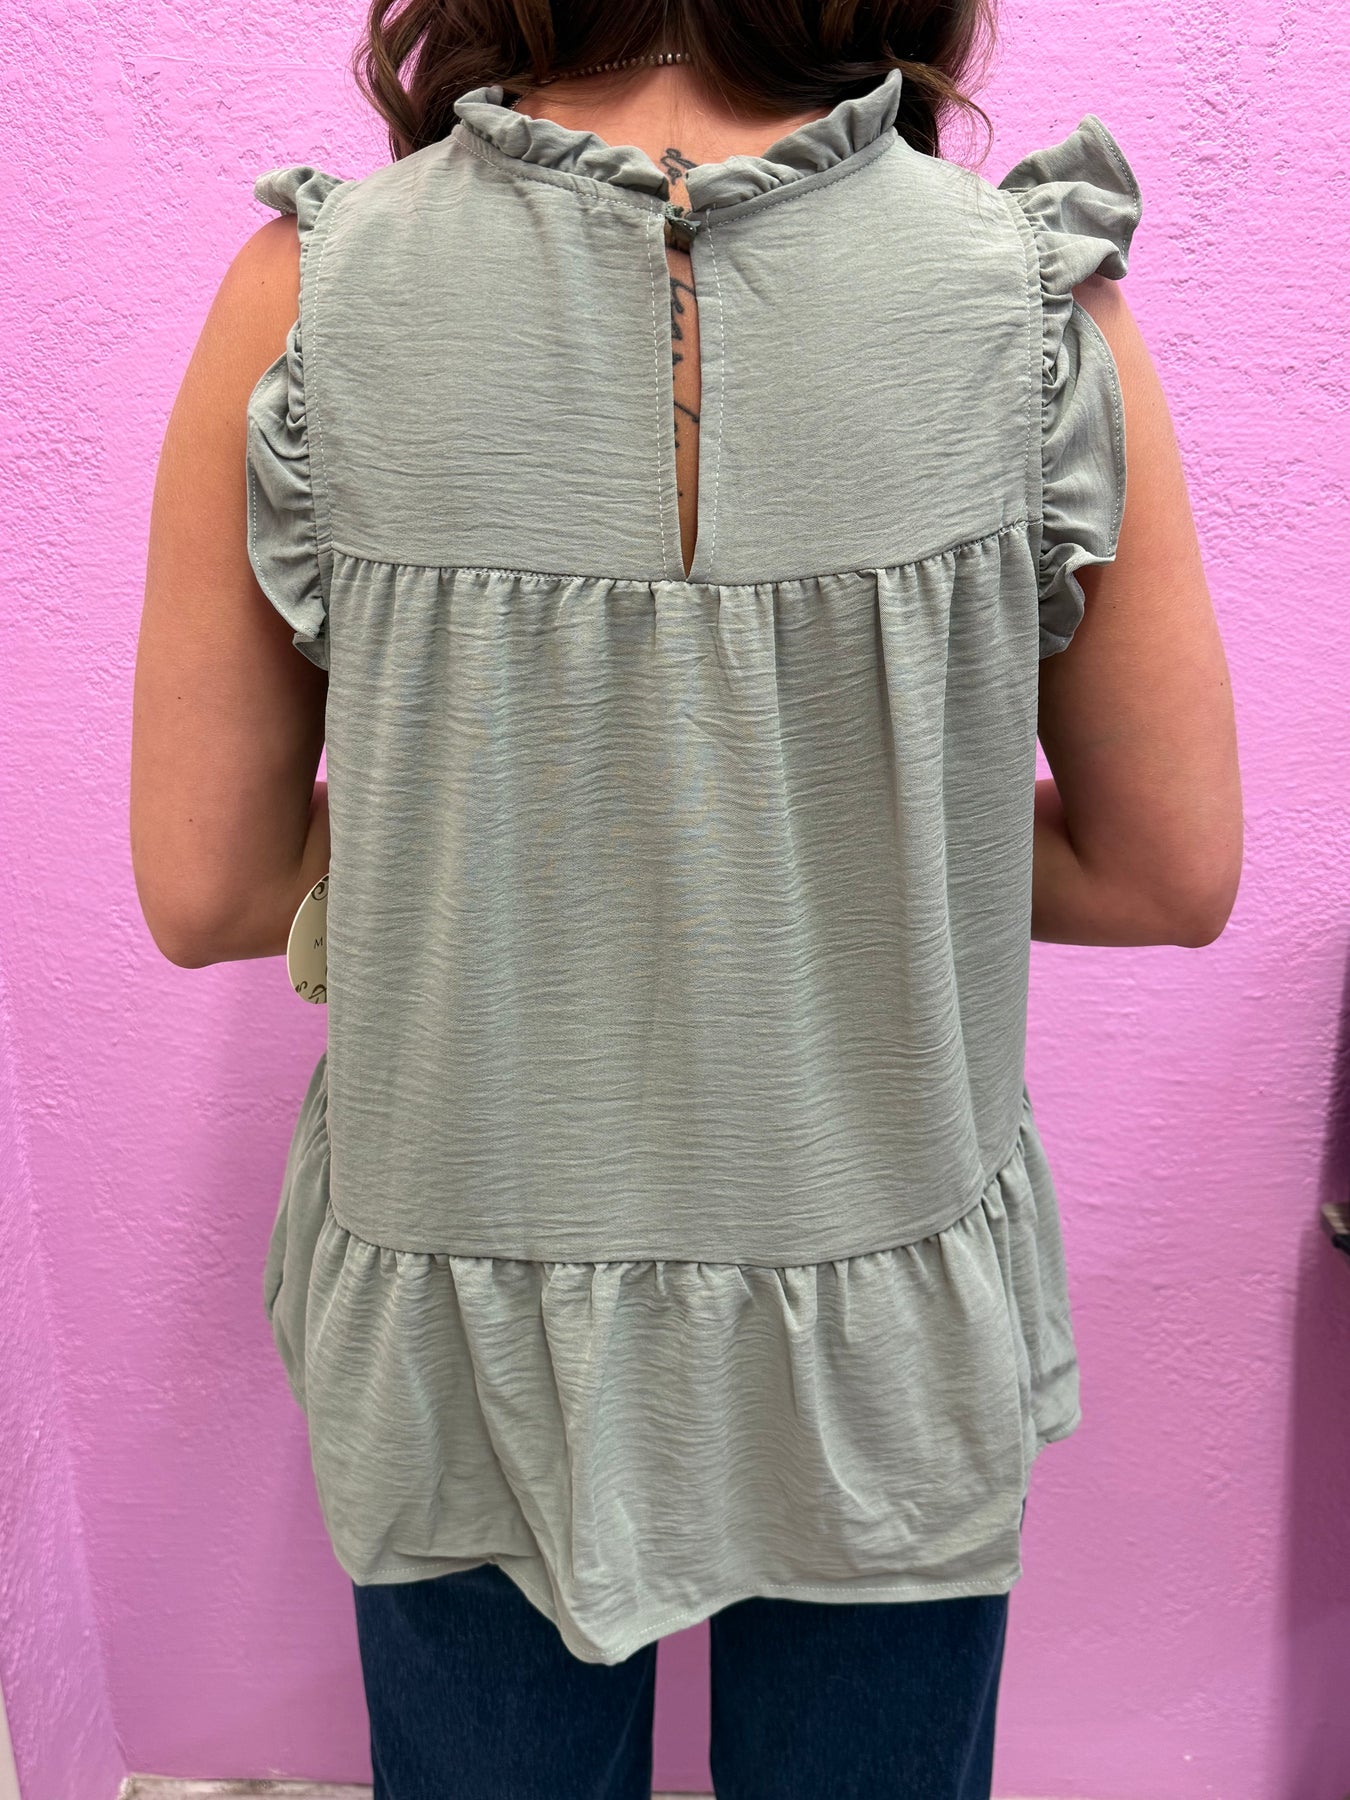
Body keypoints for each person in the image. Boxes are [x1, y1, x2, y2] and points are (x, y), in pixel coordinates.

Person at [129, 2, 1242, 1795]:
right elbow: (1164, 868)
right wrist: (829, 835)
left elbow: (209, 884)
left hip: (468, 1299)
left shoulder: (314, 292)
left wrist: (521, 827)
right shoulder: (1026, 298)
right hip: (879, 1299)